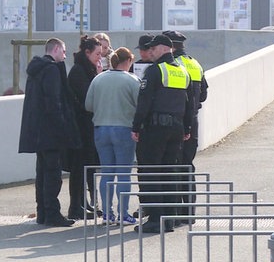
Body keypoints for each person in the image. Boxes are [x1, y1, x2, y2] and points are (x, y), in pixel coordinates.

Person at [131, 35, 194, 233]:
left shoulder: (155, 70)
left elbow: (145, 102)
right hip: (177, 129)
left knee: (152, 173)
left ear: (163, 48)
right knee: (170, 173)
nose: (151, 52)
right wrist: (187, 128)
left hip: (156, 128)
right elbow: (190, 103)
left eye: (153, 48)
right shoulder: (182, 71)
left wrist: (136, 126)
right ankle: (170, 218)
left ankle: (155, 219)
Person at [18, 37, 80, 227]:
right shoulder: (52, 70)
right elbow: (54, 101)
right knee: (53, 174)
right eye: (63, 51)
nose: (65, 55)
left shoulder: (35, 70)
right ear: (55, 50)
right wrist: (62, 126)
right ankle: (52, 213)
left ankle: (43, 212)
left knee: (42, 172)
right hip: (50, 131)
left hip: (36, 130)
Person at [85, 47, 141, 225]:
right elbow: (140, 106)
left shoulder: (98, 79)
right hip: (124, 129)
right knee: (124, 173)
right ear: (129, 61)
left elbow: (88, 105)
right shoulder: (132, 80)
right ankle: (123, 213)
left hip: (101, 129)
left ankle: (107, 214)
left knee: (107, 172)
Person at [162, 30, 208, 226]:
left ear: (170, 47)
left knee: (173, 165)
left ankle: (174, 212)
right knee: (187, 166)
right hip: (194, 121)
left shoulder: (173, 66)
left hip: (178, 122)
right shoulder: (195, 63)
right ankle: (188, 212)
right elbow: (203, 95)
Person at [67, 35, 103, 220]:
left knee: (83, 168)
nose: (100, 57)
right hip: (80, 127)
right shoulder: (80, 72)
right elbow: (88, 98)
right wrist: (98, 76)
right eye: (97, 53)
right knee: (78, 168)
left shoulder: (83, 69)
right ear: (87, 52)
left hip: (85, 126)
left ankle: (81, 204)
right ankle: (76, 206)